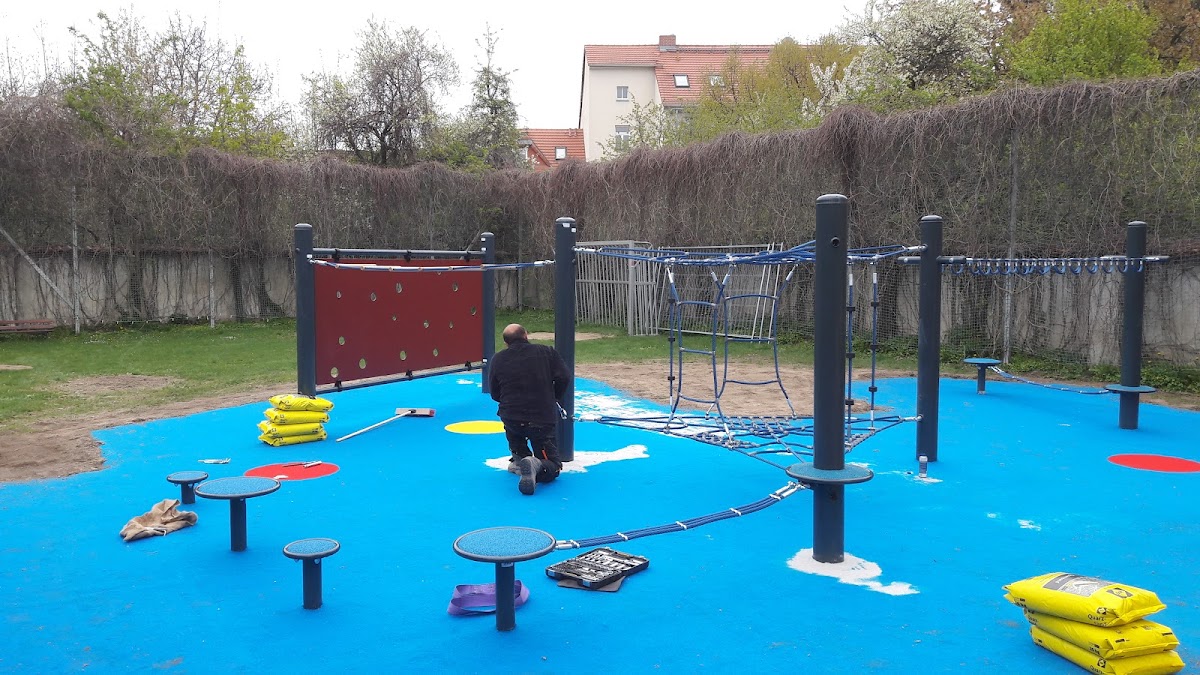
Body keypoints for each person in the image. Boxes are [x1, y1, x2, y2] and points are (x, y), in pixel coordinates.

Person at [488, 323, 570, 495]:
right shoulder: (546, 352)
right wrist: (553, 397)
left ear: (506, 342)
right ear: (526, 335)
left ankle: (520, 458)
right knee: (553, 464)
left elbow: (494, 393)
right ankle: (537, 465)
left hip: (511, 418)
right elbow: (564, 377)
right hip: (541, 418)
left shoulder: (498, 359)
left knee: (515, 434)